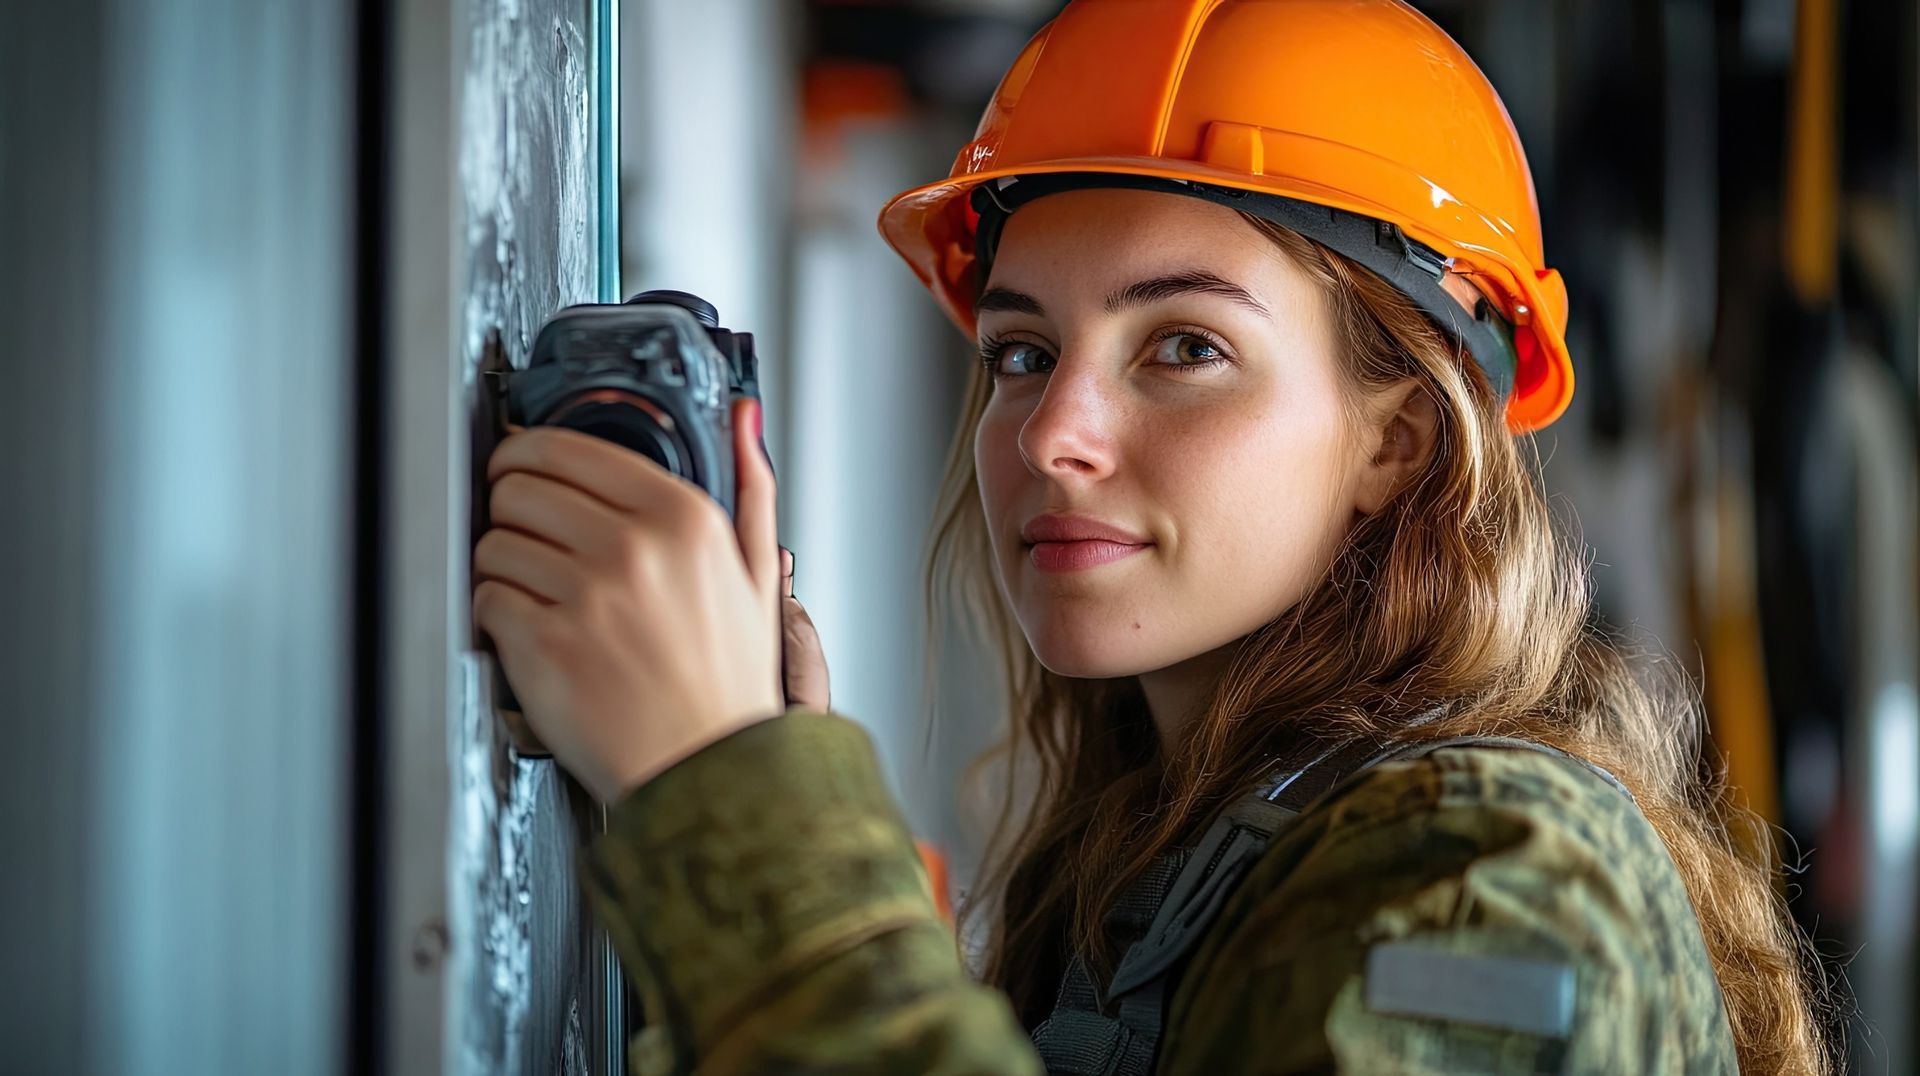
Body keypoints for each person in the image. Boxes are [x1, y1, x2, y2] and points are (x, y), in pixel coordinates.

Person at [471, 1, 1833, 1072]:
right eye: (1021, 352)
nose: (1054, 430)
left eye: (1184, 346)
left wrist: (742, 809)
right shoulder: (1151, 871)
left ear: (1398, 441)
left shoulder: (1489, 874)